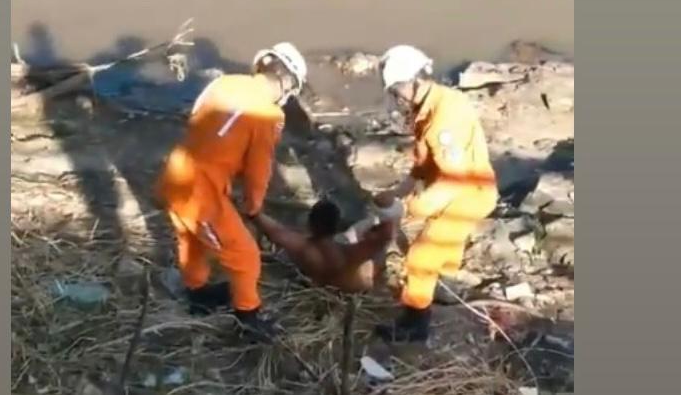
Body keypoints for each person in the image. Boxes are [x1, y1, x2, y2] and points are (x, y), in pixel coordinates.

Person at [154, 42, 307, 340]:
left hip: (175, 172)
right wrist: (253, 205)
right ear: (288, 82)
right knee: (245, 255)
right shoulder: (269, 115)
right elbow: (258, 169)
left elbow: (197, 121)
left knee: (192, 240)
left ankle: (196, 294)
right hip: (200, 193)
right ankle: (247, 319)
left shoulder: (223, 83)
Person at [373, 45, 499, 343]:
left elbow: (453, 180)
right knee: (445, 248)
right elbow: (425, 164)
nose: (396, 98)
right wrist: (399, 191)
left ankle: (414, 324)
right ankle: (446, 283)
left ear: (411, 81)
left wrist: (412, 207)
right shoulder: (429, 106)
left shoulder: (445, 116)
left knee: (420, 258)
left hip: (468, 195)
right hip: (460, 189)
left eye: (396, 90)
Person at [250, 198, 401, 293]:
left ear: (310, 224)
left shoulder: (303, 248)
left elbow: (277, 232)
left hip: (319, 286)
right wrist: (372, 231)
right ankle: (381, 280)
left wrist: (253, 212)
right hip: (351, 290)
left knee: (358, 233)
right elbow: (388, 234)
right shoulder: (350, 253)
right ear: (336, 226)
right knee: (366, 231)